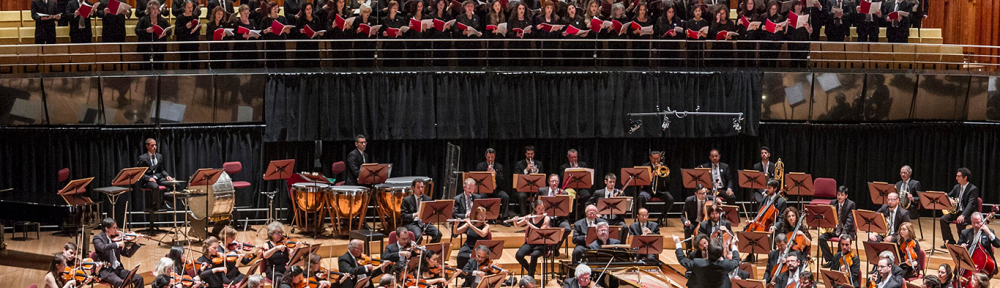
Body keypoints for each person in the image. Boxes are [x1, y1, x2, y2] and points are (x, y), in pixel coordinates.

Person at [92, 218, 145, 288]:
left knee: (139, 278)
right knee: (119, 282)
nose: (116, 230)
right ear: (107, 228)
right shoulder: (98, 238)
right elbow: (102, 248)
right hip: (106, 271)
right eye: (113, 228)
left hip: (118, 269)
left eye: (116, 227)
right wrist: (117, 244)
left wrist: (136, 243)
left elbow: (128, 254)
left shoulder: (116, 238)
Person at [673, 235, 739, 288]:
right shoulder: (726, 264)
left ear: (708, 252)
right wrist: (733, 245)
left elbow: (682, 259)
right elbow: (736, 261)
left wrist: (678, 243)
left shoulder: (698, 263)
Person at [942, 167, 980, 247]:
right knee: (943, 219)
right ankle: (950, 241)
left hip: (968, 213)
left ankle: (962, 243)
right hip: (957, 211)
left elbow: (971, 204)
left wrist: (963, 215)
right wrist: (949, 199)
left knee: (960, 223)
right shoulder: (957, 187)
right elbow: (947, 195)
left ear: (965, 177)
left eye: (958, 176)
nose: (956, 178)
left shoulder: (973, 189)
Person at [820, 186, 856, 266]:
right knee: (821, 238)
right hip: (835, 229)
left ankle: (837, 262)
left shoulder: (851, 204)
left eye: (842, 195)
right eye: (838, 194)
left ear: (846, 196)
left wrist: (843, 233)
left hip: (847, 230)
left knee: (842, 239)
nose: (839, 197)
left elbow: (849, 221)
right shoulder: (833, 203)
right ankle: (830, 260)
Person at [515, 200, 552, 275]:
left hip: (541, 244)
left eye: (543, 208)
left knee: (534, 255)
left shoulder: (546, 218)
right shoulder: (530, 216)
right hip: (530, 243)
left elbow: (540, 231)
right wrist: (515, 221)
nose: (542, 210)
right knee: (518, 255)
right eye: (539, 208)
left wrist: (528, 223)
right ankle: (530, 270)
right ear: (535, 209)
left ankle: (530, 276)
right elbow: (517, 225)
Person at [401, 179, 442, 243]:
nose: (420, 189)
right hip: (412, 223)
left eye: (422, 187)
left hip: (424, 223)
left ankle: (429, 251)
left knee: (438, 234)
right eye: (418, 187)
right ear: (413, 188)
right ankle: (416, 251)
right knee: (418, 236)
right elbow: (403, 216)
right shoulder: (407, 200)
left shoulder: (427, 199)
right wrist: (415, 214)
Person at [137, 138, 174, 211]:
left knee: (175, 184)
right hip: (148, 181)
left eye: (155, 145)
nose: (155, 147)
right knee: (155, 186)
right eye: (152, 145)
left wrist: (167, 176)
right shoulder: (143, 158)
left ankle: (165, 201)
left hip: (158, 178)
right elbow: (139, 173)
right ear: (147, 146)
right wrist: (148, 178)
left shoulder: (159, 156)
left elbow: (161, 169)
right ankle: (155, 204)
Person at [475, 148, 512, 219]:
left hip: (496, 190)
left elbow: (502, 181)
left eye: (492, 157)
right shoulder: (480, 166)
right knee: (480, 197)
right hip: (485, 190)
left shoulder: (499, 166)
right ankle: (481, 217)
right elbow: (478, 180)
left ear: (494, 157)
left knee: (505, 197)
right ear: (486, 156)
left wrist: (496, 175)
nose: (490, 159)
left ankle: (504, 218)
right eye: (489, 157)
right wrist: (486, 174)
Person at [135, 0, 171, 70]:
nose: (155, 11)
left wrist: (165, 33)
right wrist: (146, 30)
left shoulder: (163, 21)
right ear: (149, 9)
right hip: (147, 47)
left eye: (157, 9)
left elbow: (169, 31)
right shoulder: (143, 20)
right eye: (153, 9)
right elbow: (137, 31)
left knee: (159, 67)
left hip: (159, 47)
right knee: (147, 68)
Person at [640, 151, 674, 224]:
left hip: (660, 191)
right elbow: (642, 181)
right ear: (650, 158)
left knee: (670, 199)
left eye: (657, 158)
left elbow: (668, 182)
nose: (656, 161)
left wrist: (660, 174)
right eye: (654, 158)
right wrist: (651, 175)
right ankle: (643, 218)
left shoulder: (663, 167)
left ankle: (661, 217)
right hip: (647, 191)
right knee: (641, 197)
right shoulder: (645, 166)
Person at [513, 146, 543, 215]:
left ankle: (537, 215)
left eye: (531, 154)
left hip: (535, 189)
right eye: (528, 154)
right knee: (521, 196)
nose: (530, 155)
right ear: (525, 154)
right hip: (523, 189)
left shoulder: (539, 164)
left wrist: (536, 172)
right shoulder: (519, 164)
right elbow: (517, 178)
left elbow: (542, 178)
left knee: (542, 194)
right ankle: (524, 216)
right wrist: (526, 170)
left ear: (534, 154)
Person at [261, 1, 291, 68]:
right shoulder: (265, 19)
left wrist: (287, 31)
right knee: (270, 65)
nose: (276, 10)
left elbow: (288, 31)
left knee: (281, 64)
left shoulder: (282, 18)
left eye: (277, 8)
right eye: (274, 8)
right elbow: (261, 32)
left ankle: (280, 78)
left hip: (280, 44)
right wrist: (266, 31)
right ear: (270, 9)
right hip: (269, 45)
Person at [232, 4, 261, 69]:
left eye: (248, 13)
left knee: (251, 71)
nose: (247, 15)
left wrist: (256, 36)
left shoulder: (252, 22)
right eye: (245, 13)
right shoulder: (237, 23)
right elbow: (234, 35)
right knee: (242, 72)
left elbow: (257, 32)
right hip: (240, 50)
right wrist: (242, 36)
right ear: (240, 13)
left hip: (252, 49)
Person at [175, 0, 201, 70]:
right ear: (184, 8)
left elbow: (198, 29)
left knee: (195, 62)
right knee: (184, 63)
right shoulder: (180, 18)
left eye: (191, 7)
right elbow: (177, 31)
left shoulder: (195, 16)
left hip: (194, 43)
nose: (190, 9)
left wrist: (197, 28)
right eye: (188, 7)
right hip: (184, 44)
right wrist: (186, 27)